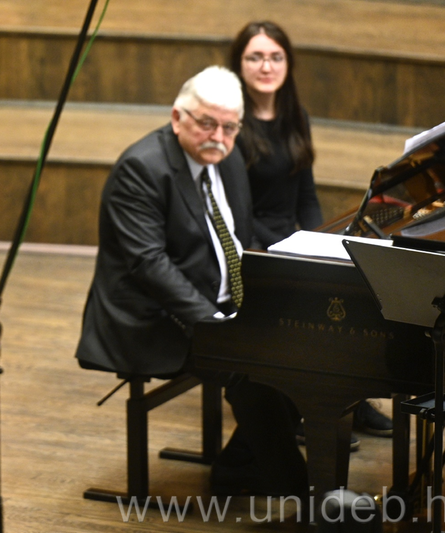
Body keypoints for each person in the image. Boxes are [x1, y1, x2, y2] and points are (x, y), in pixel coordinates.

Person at [75, 65, 308, 497]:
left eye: (229, 127)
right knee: (251, 368)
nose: (218, 136)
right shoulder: (141, 169)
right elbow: (149, 265)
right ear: (177, 117)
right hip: (153, 318)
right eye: (206, 124)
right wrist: (219, 326)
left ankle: (241, 464)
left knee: (305, 340)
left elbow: (239, 236)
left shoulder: (228, 156)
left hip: (219, 300)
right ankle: (298, 490)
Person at [231, 21, 392, 440]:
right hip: (253, 245)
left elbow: (305, 195)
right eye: (255, 57)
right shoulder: (231, 124)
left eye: (275, 57)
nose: (266, 66)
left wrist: (324, 242)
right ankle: (305, 407)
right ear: (239, 64)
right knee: (315, 306)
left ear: (288, 63)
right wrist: (286, 251)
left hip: (291, 240)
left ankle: (349, 399)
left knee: (352, 289)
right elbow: (238, 210)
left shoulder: (295, 116)